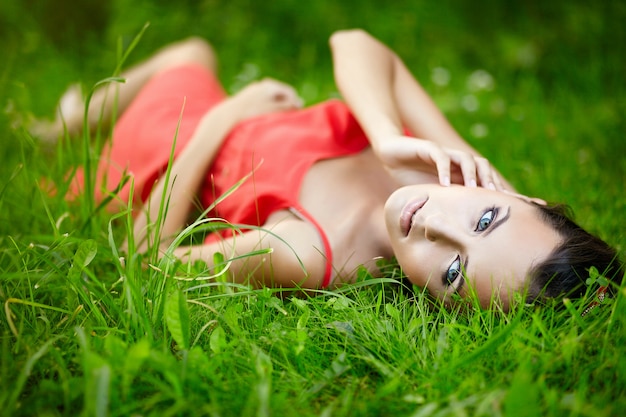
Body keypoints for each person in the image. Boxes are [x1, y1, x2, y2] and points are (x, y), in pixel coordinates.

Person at [36, 29, 622, 311]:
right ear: (524, 197)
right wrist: (391, 136)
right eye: (488, 218)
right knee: (192, 52)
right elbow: (357, 44)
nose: (436, 226)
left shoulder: (310, 253)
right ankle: (60, 126)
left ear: (438, 302)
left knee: (187, 61)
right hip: (209, 109)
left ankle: (68, 128)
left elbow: (148, 261)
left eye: (450, 273)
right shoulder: (444, 171)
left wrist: (224, 119)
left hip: (164, 152)